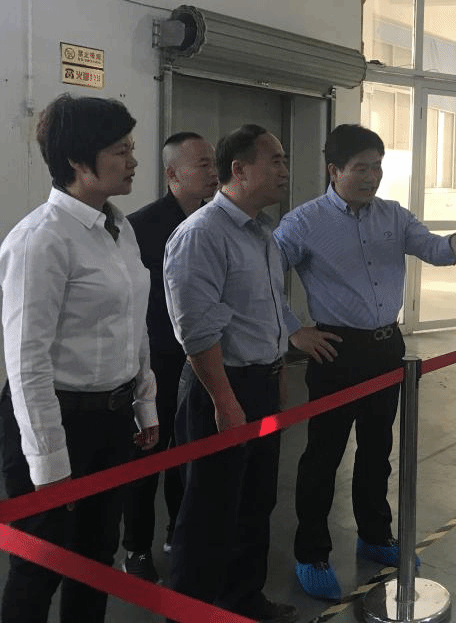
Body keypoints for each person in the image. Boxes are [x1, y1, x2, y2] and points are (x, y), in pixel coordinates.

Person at [276, 123, 456, 601]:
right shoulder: (303, 223)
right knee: (323, 456)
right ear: (334, 170)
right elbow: (265, 277)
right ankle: (311, 553)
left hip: (385, 349)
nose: (372, 177)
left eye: (377, 167)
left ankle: (375, 536)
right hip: (336, 350)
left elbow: (431, 246)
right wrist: (294, 330)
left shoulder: (393, 216)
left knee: (377, 450)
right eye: (361, 168)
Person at [0, 94, 159, 623]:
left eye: (131, 147)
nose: (133, 160)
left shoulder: (119, 228)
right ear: (77, 160)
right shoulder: (40, 240)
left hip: (110, 420)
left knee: (96, 558)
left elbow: (133, 323)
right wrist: (48, 464)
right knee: (40, 565)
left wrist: (143, 405)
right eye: (120, 150)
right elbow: (27, 363)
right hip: (56, 419)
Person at [162, 125, 296, 623]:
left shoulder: (262, 233)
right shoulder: (202, 234)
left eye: (284, 160)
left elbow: (269, 313)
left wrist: (277, 374)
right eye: (274, 160)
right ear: (238, 169)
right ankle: (190, 612)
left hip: (260, 384)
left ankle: (242, 602)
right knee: (208, 513)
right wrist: (225, 400)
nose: (284, 170)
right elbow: (196, 329)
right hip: (219, 389)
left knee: (255, 503)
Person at [120, 132, 218, 582]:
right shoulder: (140, 227)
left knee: (190, 449)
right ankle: (136, 547)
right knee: (148, 456)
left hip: (201, 358)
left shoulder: (214, 222)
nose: (213, 172)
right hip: (155, 361)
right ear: (172, 173)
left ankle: (179, 531)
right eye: (203, 164)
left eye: (214, 162)